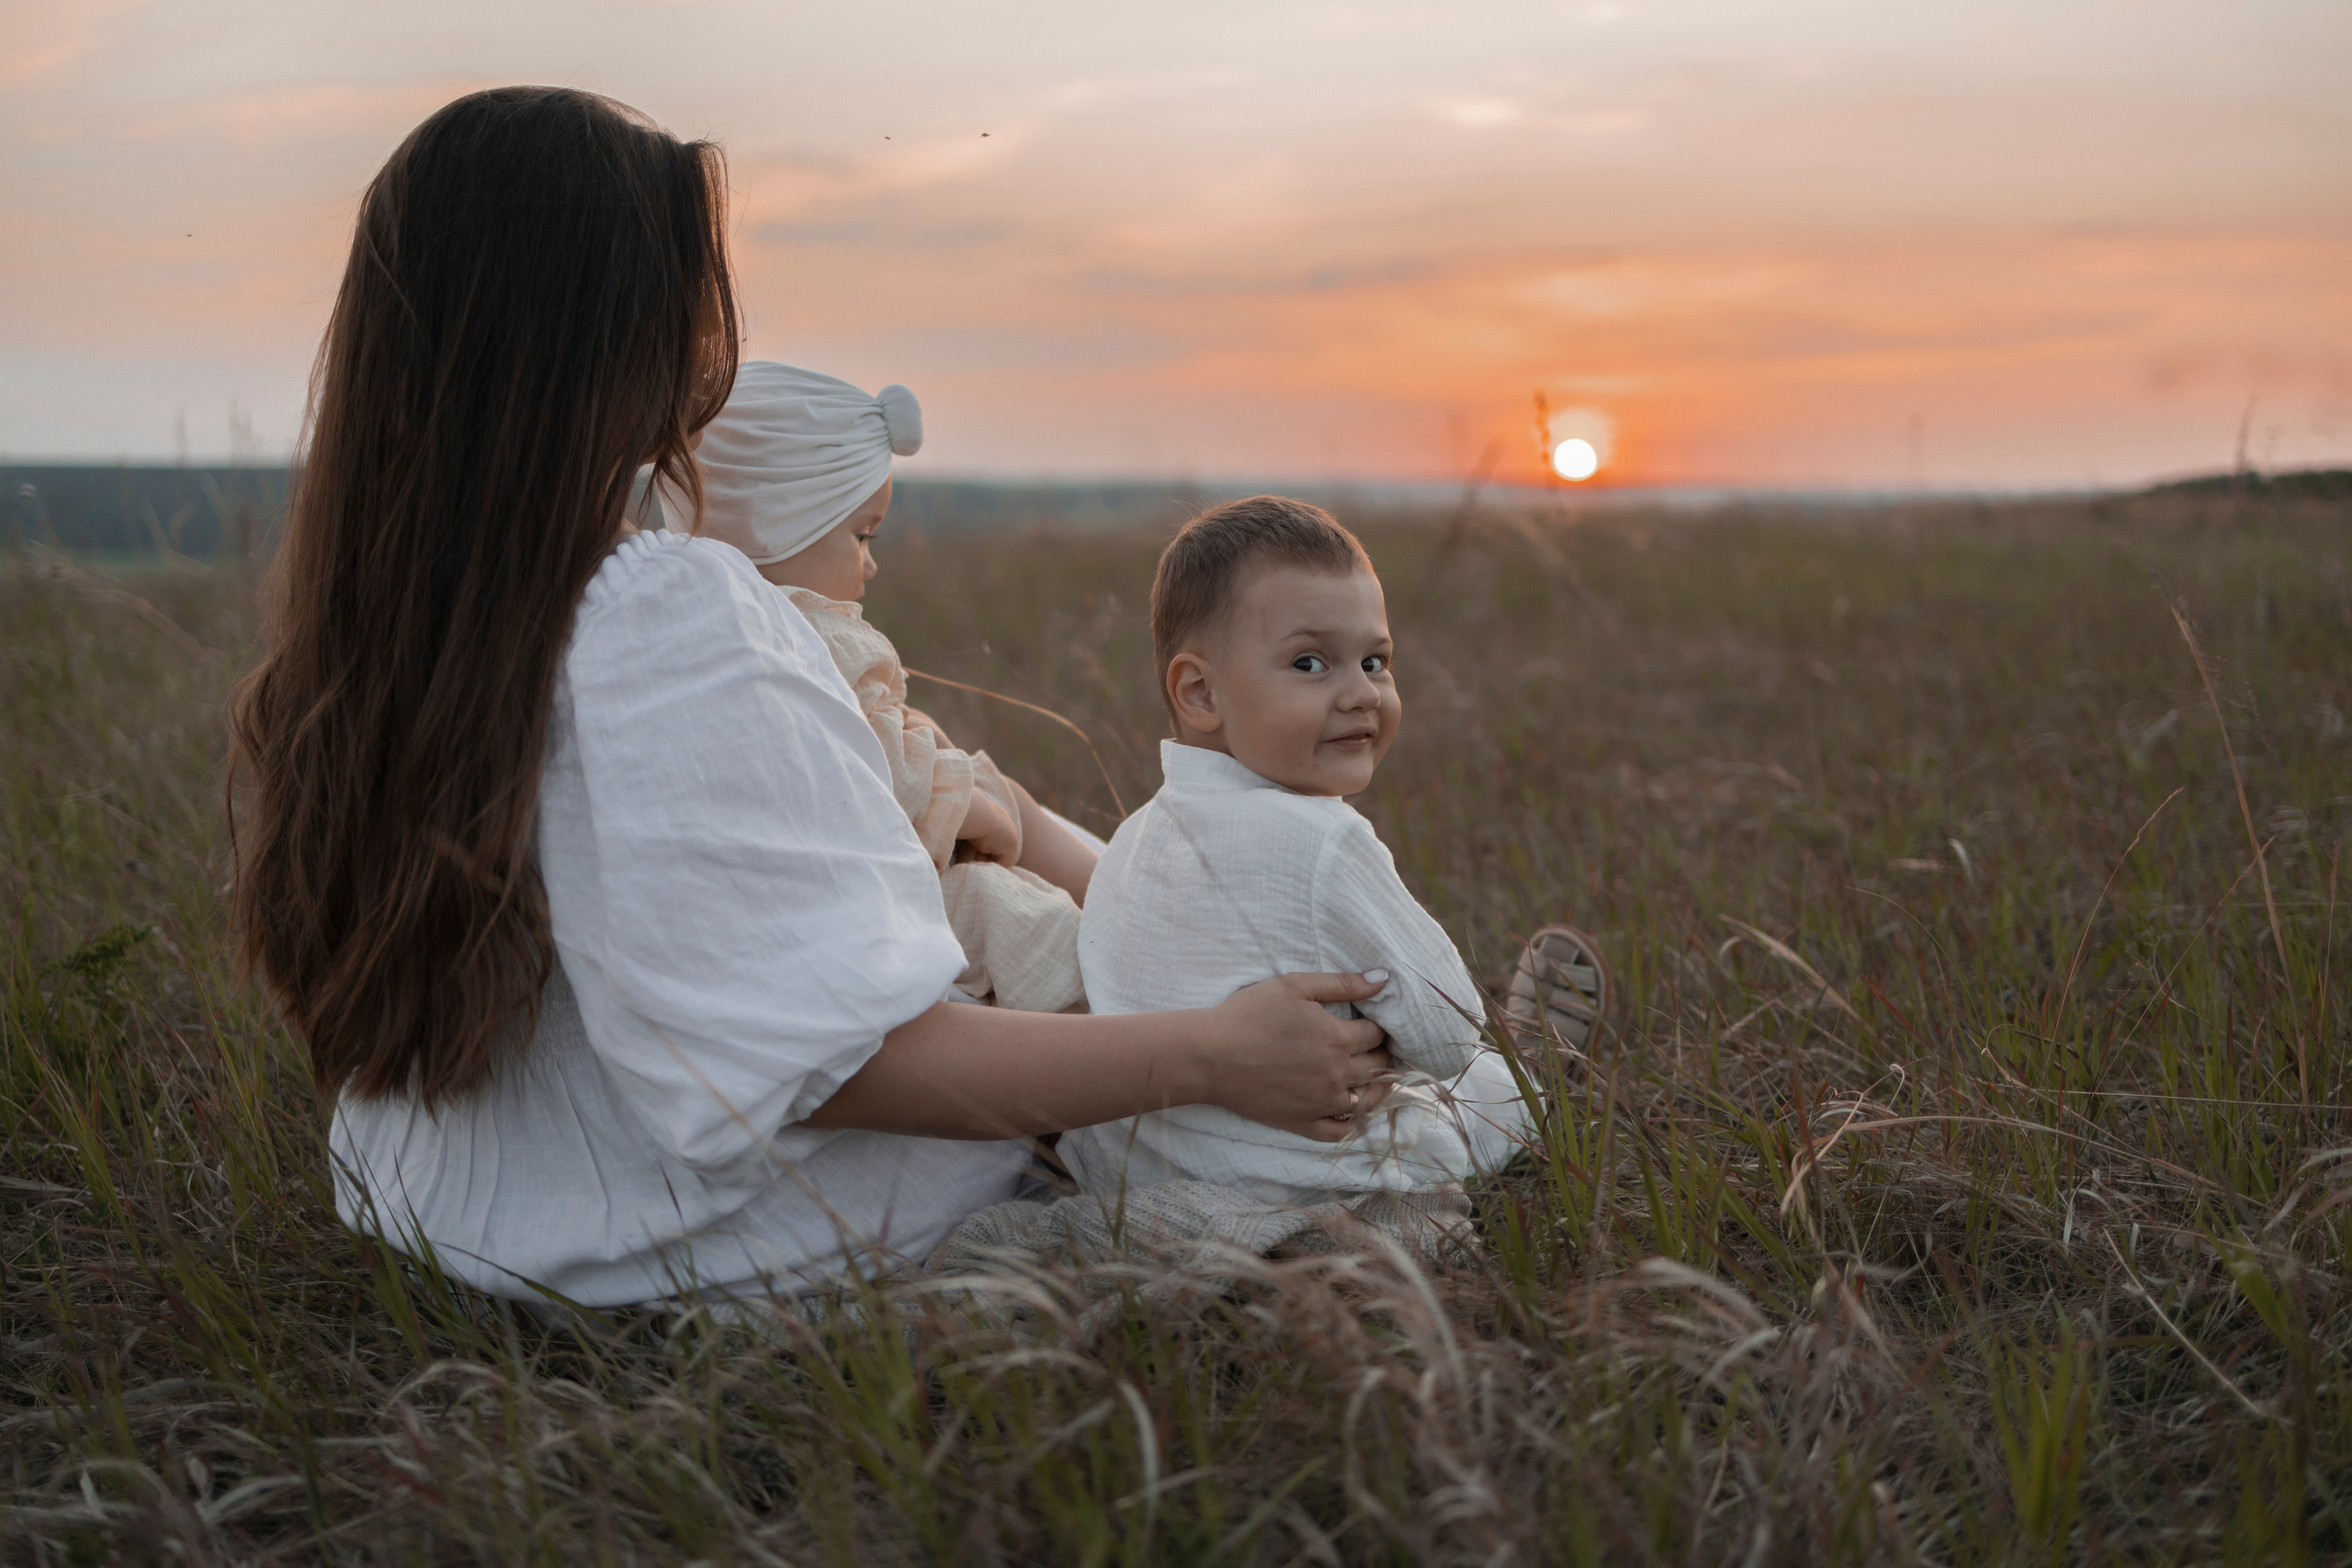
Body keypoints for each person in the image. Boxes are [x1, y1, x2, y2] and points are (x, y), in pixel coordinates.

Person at [227, 86, 1395, 1310]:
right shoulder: (661, 611)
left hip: (471, 1223)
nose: (699, 370)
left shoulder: (391, 624)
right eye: (684, 320)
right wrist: (1210, 1053)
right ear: (603, 345)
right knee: (1342, 1152)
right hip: (747, 1248)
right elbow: (835, 1058)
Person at [1060, 497, 1611, 1205]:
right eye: (1311, 662)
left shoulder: (1134, 839)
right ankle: (1536, 1077)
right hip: (1306, 1170)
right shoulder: (1327, 841)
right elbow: (1447, 1031)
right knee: (1475, 1089)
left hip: (1144, 1166)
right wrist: (1399, 1041)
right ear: (1200, 692)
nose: (1361, 694)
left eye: (1375, 661)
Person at [649, 361, 1089, 1013]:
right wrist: (976, 809)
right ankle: (1122, 1013)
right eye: (861, 536)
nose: (872, 561)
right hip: (867, 880)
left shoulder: (690, 616)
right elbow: (877, 768)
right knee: (1022, 912)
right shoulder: (814, 630)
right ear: (782, 521)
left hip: (812, 881)